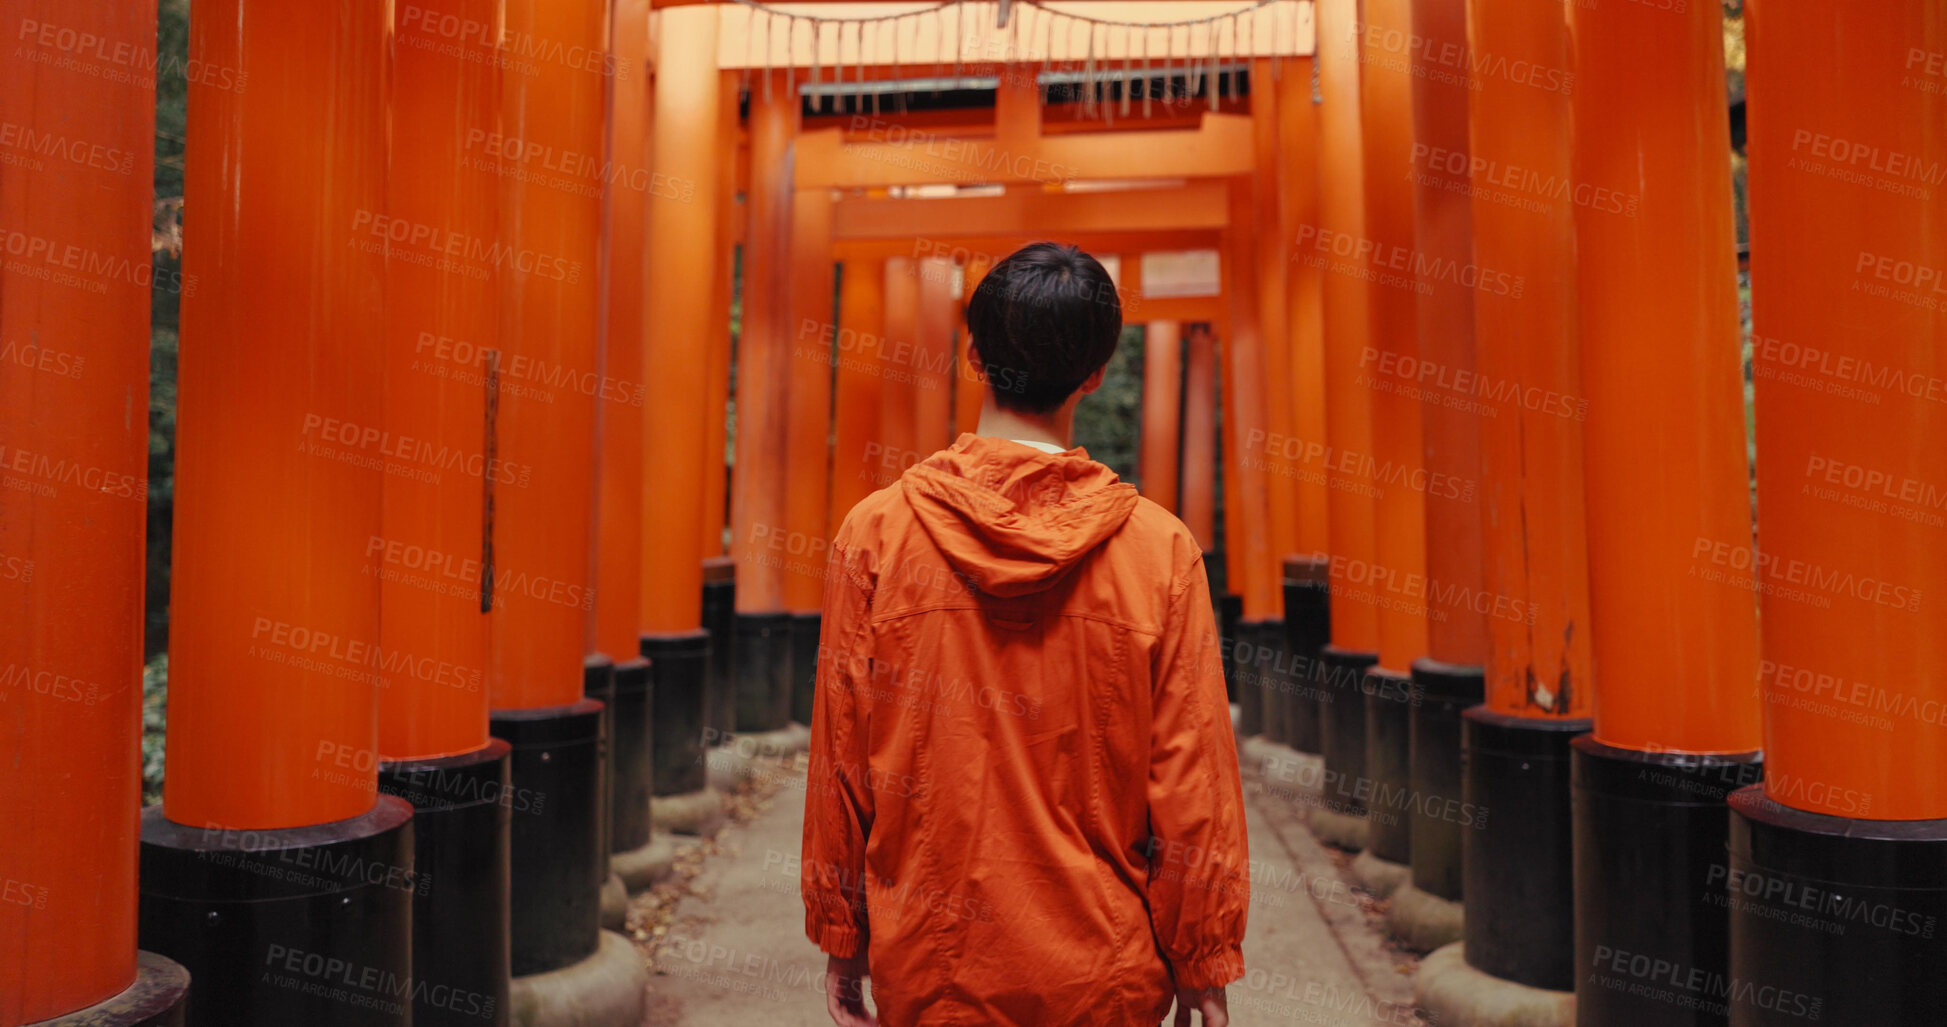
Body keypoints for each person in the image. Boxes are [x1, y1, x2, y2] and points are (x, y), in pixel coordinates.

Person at [800, 242, 1249, 1027]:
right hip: (1106, 971)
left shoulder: (875, 535)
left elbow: (843, 756)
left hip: (931, 964)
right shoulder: (1159, 550)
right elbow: (1191, 781)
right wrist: (1201, 959)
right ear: (1094, 374)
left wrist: (843, 933)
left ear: (971, 354)